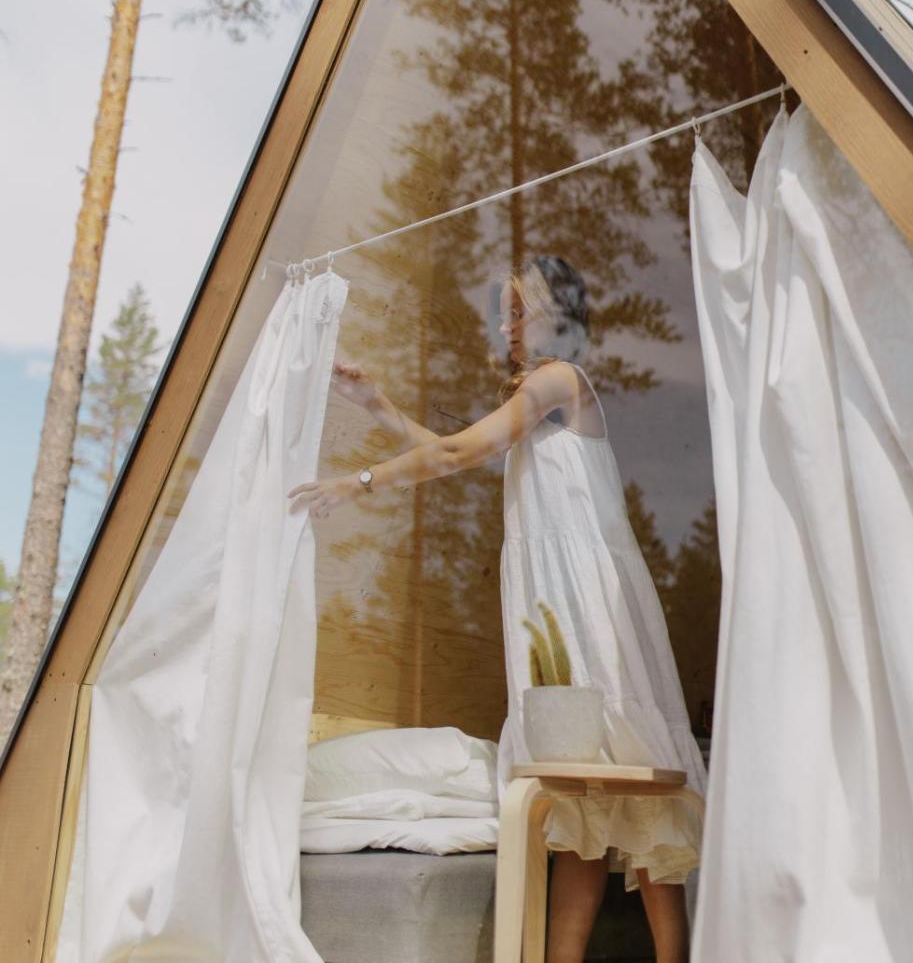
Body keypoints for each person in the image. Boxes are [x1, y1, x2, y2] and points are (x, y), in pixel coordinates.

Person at [288, 256, 705, 963]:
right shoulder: (533, 403)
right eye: (504, 312)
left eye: (521, 311)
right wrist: (377, 405)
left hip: (588, 608)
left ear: (558, 318)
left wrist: (357, 481)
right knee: (576, 816)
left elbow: (460, 449)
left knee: (638, 794)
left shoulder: (560, 380)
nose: (507, 326)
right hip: (551, 608)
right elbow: (453, 452)